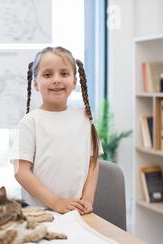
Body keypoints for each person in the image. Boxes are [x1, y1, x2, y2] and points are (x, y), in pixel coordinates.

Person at [11, 47, 101, 215]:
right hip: (39, 213)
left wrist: (87, 199)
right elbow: (20, 171)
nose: (56, 80)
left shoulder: (84, 119)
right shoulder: (30, 123)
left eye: (64, 74)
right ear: (36, 83)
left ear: (74, 82)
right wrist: (56, 202)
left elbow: (93, 162)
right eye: (47, 74)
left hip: (76, 212)